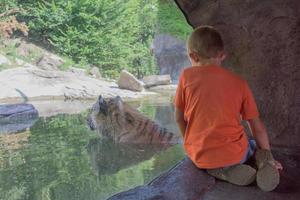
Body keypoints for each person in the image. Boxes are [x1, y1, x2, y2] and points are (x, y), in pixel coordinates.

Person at [174, 25, 283, 191]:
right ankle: (265, 161)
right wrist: (268, 152)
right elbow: (256, 126)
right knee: (252, 143)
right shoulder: (240, 84)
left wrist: (189, 143)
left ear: (192, 56)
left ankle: (222, 171)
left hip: (201, 156)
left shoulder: (186, 77)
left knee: (211, 160)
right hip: (236, 154)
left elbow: (179, 118)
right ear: (222, 55)